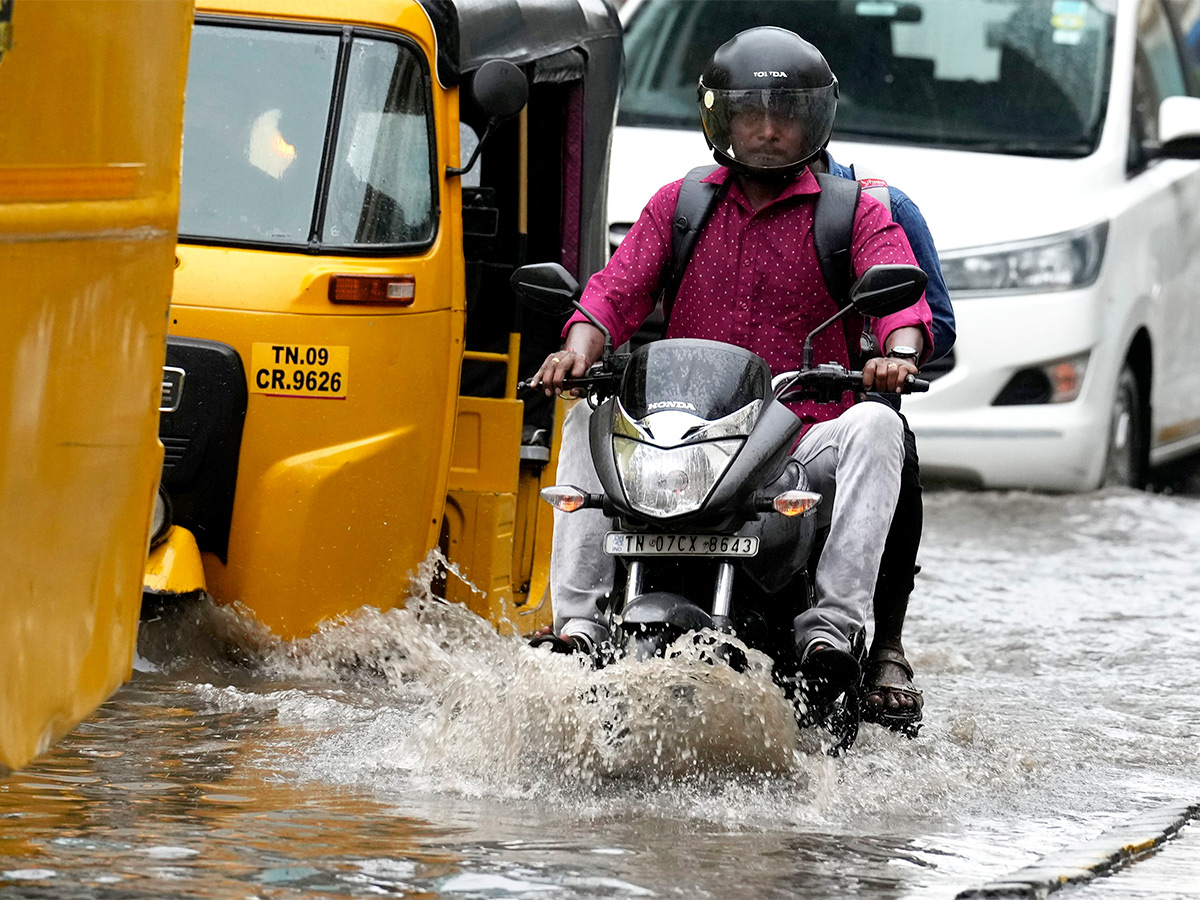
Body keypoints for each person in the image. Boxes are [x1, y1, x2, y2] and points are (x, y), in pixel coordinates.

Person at [530, 26, 933, 707]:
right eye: (752, 114)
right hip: (684, 440)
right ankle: (576, 622)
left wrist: (896, 356)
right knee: (587, 419)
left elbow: (905, 306)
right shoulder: (678, 204)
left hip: (800, 444)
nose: (769, 131)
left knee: (879, 429)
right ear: (721, 118)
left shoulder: (854, 212)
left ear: (816, 121)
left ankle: (833, 628)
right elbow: (613, 293)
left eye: (786, 115)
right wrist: (577, 350)